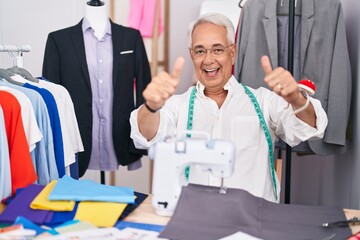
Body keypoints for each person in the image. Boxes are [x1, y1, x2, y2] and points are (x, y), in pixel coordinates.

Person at [129, 13, 328, 203]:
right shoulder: (177, 106)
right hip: (194, 220)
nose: (208, 60)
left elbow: (310, 128)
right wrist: (151, 107)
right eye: (200, 51)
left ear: (232, 54)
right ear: (192, 56)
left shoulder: (263, 102)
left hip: (252, 224)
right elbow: (146, 135)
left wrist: (296, 99)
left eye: (217, 49)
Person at [42, 1, 151, 178]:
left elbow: (144, 90)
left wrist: (139, 139)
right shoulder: (58, 41)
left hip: (120, 136)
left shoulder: (131, 37)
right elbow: (52, 98)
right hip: (78, 137)